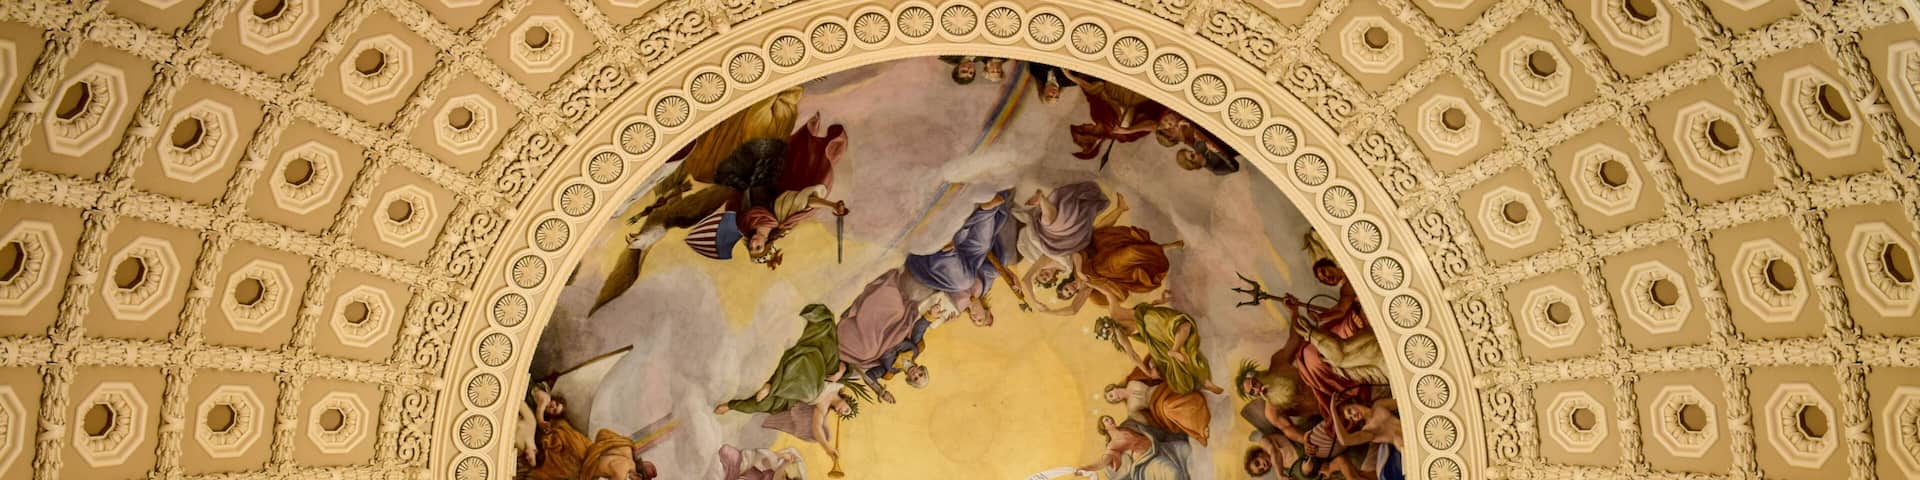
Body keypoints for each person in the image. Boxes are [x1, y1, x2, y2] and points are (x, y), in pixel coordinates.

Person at [905, 191, 1019, 327]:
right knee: (983, 246)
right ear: (987, 312)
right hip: (965, 252)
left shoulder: (957, 308)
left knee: (965, 282)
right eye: (980, 319)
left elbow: (932, 315)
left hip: (938, 265)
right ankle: (987, 211)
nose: (975, 318)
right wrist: (1011, 276)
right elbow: (991, 269)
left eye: (974, 320)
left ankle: (945, 252)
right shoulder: (984, 288)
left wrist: (944, 320)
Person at [837, 268, 945, 404]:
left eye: (915, 379)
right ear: (921, 369)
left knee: (867, 350)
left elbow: (870, 375)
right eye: (920, 374)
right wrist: (931, 316)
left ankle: (851, 319)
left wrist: (881, 391)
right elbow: (918, 329)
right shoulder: (916, 350)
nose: (915, 374)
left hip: (877, 343)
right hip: (894, 329)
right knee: (898, 310)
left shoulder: (890, 372)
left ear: (909, 380)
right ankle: (859, 306)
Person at [1103, 294, 1226, 396]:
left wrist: (1088, 282)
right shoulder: (1120, 333)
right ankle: (1205, 382)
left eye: (1109, 332)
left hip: (1153, 323)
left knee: (1185, 332)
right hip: (1155, 335)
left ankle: (1203, 380)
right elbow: (1133, 355)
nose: (1112, 333)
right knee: (1186, 345)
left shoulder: (1116, 315)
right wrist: (1148, 373)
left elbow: (1108, 293)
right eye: (1109, 334)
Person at [1064, 70, 1169, 166]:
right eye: (1082, 129)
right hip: (1137, 91)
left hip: (1116, 80)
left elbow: (1091, 93)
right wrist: (1128, 131)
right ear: (1091, 136)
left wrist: (1072, 77)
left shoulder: (1095, 116)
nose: (1082, 125)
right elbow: (1154, 125)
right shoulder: (1123, 137)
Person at [1102, 369, 1211, 446]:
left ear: (1113, 388)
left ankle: (1199, 414)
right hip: (1158, 405)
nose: (1114, 399)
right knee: (1168, 409)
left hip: (1163, 389)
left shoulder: (1132, 380)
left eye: (1111, 395)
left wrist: (1153, 368)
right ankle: (1200, 429)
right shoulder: (1131, 409)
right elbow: (1147, 422)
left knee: (1172, 403)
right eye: (1112, 401)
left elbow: (1148, 367)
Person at [1076, 416, 1192, 480]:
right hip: (1148, 461)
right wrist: (1087, 468)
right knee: (1173, 474)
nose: (1110, 420)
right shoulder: (1113, 445)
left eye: (1109, 418)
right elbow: (1103, 462)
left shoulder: (1127, 427)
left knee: (1186, 448)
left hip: (1161, 449)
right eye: (1106, 420)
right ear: (1104, 428)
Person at [1336, 398, 1405, 480]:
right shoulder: (1368, 430)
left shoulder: (1379, 405)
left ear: (1353, 402)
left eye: (1350, 411)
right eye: (1351, 418)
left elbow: (1402, 403)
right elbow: (1345, 440)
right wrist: (1333, 412)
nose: (1353, 416)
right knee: (1398, 439)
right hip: (1403, 447)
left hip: (1410, 429)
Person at [718, 444, 808, 480]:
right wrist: (783, 458)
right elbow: (763, 463)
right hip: (743, 470)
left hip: (744, 475)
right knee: (726, 451)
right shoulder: (776, 471)